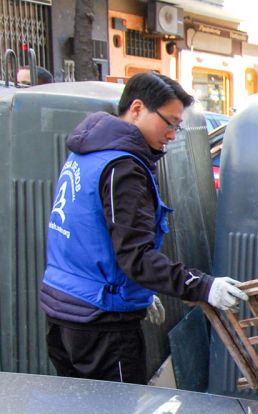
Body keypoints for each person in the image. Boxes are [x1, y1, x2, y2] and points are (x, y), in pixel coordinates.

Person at [40, 72, 246, 385]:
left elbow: (88, 237)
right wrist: (203, 286)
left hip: (62, 310)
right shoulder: (122, 167)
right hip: (101, 323)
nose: (173, 135)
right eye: (170, 122)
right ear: (137, 108)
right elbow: (136, 257)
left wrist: (139, 292)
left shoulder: (86, 153)